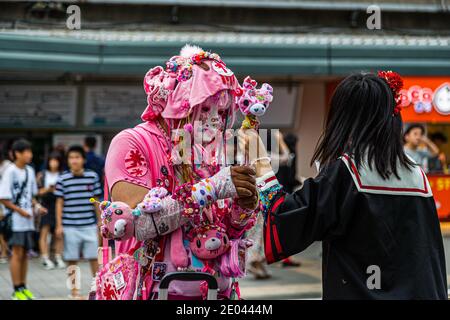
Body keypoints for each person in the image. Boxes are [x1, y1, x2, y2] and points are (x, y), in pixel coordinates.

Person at [240, 71, 447, 299]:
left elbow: (285, 218)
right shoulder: (417, 174)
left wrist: (259, 159)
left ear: (345, 119)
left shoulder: (347, 172)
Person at [104, 45, 258, 300]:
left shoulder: (209, 151)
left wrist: (243, 208)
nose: (216, 121)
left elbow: (224, 231)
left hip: (216, 292)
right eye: (205, 108)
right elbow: (136, 224)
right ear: (178, 102)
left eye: (221, 112)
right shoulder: (132, 142)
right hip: (152, 291)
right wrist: (212, 188)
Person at [0, 139, 48, 300]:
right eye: (26, 152)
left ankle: (23, 287)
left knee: (25, 253)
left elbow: (32, 197)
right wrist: (20, 211)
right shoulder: (10, 171)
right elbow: (4, 198)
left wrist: (37, 207)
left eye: (30, 151)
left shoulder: (29, 170)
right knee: (16, 253)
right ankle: (16, 290)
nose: (30, 155)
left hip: (27, 219)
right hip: (16, 220)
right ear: (17, 154)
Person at [55, 145, 102, 299]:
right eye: (71, 157)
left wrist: (100, 221)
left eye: (77, 157)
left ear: (83, 159)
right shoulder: (63, 178)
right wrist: (59, 225)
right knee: (72, 259)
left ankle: (98, 289)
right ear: (68, 161)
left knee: (94, 258)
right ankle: (74, 291)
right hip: (69, 226)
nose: (74, 160)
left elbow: (96, 200)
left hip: (88, 224)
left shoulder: (92, 176)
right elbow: (59, 203)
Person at [37, 152, 65, 270]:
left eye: (56, 160)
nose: (53, 163)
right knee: (45, 231)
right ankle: (45, 258)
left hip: (60, 204)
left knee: (59, 233)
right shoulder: (42, 175)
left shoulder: (63, 175)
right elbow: (36, 192)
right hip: (46, 205)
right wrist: (49, 189)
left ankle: (58, 257)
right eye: (51, 160)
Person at [0, 144, 13, 264]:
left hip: (5, 201)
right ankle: (5, 251)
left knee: (3, 229)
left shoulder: (8, 166)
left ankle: (5, 252)